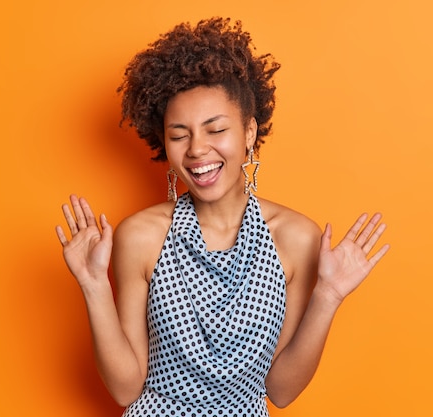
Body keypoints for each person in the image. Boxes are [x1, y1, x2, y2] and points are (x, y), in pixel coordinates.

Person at [55, 17, 389, 417]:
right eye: (179, 135)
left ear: (249, 133)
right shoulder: (141, 236)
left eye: (215, 130)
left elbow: (280, 391)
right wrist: (94, 287)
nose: (197, 149)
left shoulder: (296, 238)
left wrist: (328, 296)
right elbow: (126, 389)